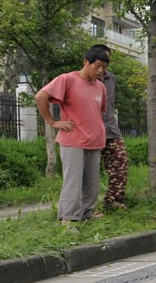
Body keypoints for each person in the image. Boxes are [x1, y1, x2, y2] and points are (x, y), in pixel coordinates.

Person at [34, 45, 109, 224]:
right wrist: (52, 122)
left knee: (92, 185)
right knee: (73, 183)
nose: (100, 71)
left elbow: (99, 112)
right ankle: (68, 219)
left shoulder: (100, 87)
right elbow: (40, 97)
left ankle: (86, 215)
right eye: (97, 66)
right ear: (85, 62)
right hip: (73, 140)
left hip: (95, 141)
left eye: (104, 68)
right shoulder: (67, 79)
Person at [93, 44, 128, 210]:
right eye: (102, 61)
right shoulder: (82, 78)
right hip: (89, 132)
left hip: (111, 131)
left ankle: (114, 200)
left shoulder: (111, 79)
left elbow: (110, 104)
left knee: (120, 164)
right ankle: (84, 207)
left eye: (107, 62)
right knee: (88, 172)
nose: (104, 66)